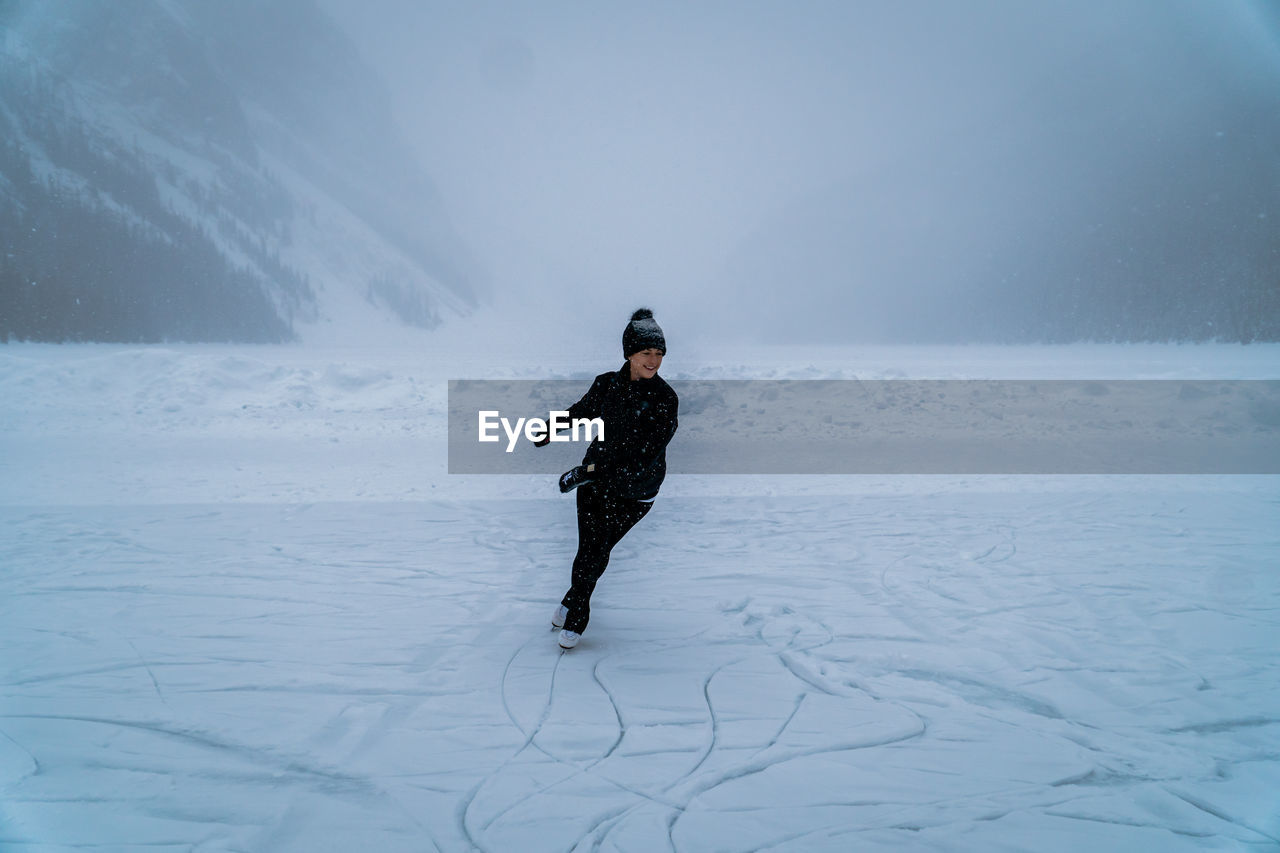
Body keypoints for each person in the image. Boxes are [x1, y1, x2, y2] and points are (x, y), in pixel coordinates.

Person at [536, 308, 679, 650]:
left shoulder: (664, 399)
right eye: (646, 352)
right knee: (590, 550)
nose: (653, 360)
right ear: (630, 352)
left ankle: (574, 606)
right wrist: (550, 428)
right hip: (595, 482)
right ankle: (576, 609)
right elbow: (582, 410)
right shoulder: (607, 385)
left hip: (636, 493)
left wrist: (593, 471)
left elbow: (646, 453)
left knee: (596, 550)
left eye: (659, 354)